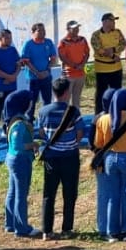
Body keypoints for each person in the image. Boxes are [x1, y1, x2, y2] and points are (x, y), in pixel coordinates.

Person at [93, 89, 126, 241]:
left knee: (111, 195)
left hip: (109, 159)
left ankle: (112, 231)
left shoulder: (103, 120)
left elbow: (98, 143)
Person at [35, 76, 83, 239]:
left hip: (51, 158)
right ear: (65, 93)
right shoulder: (74, 112)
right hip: (70, 157)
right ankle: (67, 229)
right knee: (69, 194)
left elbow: (41, 133)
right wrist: (70, 143)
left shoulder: (42, 111)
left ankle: (47, 230)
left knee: (49, 193)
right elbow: (79, 134)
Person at [2, 91, 41, 238]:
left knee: (12, 191)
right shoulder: (19, 124)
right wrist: (33, 144)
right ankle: (22, 228)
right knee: (21, 194)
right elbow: (19, 146)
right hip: (20, 160)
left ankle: (10, 223)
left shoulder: (13, 120)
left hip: (12, 159)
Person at [0, 29, 20, 143]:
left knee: (11, 108)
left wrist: (14, 76)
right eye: (7, 38)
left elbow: (18, 65)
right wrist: (7, 77)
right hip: (0, 85)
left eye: (10, 38)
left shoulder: (13, 50)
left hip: (12, 85)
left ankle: (7, 129)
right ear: (0, 38)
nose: (9, 40)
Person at [90, 13, 126, 115]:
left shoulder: (118, 32)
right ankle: (100, 114)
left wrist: (113, 49)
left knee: (117, 92)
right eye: (112, 21)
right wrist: (113, 56)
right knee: (101, 93)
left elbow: (123, 44)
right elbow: (99, 49)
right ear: (105, 22)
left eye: (114, 21)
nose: (114, 23)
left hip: (116, 69)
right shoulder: (96, 35)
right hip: (102, 69)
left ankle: (117, 112)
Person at [20, 22, 58, 117]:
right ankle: (30, 122)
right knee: (32, 101)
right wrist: (37, 73)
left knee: (47, 101)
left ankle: (45, 121)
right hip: (33, 79)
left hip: (46, 77)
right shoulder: (28, 44)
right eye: (39, 30)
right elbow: (26, 61)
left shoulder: (48, 42)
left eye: (43, 30)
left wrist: (46, 70)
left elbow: (53, 58)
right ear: (32, 32)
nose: (42, 32)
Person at [57, 20, 90, 110]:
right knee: (65, 100)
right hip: (68, 74)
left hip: (80, 74)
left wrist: (82, 64)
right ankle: (64, 120)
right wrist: (75, 66)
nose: (77, 30)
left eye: (77, 28)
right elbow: (62, 57)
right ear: (68, 29)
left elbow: (87, 53)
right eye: (74, 28)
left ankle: (76, 118)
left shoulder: (82, 39)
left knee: (77, 99)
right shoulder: (63, 42)